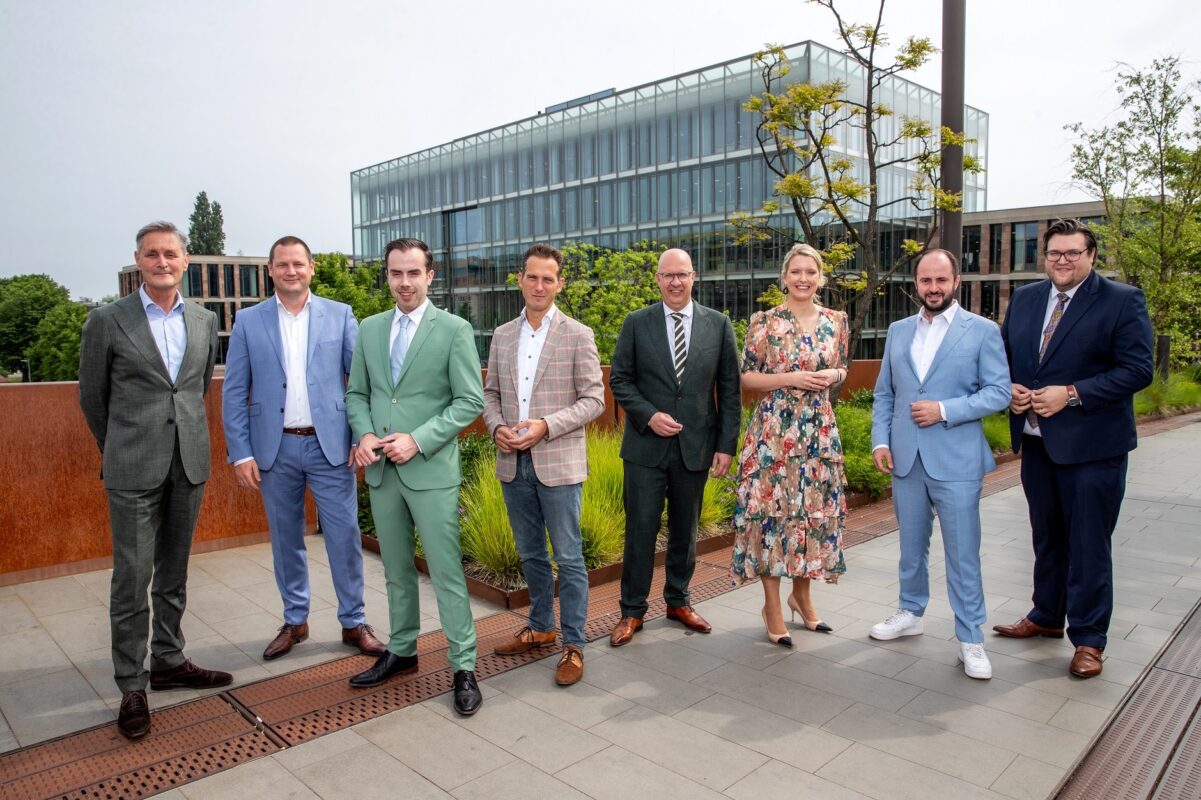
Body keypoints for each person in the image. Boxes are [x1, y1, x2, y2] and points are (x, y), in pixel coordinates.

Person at [78, 221, 231, 741]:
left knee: (174, 571)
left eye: (170, 253)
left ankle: (168, 659)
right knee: (131, 578)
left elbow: (195, 391)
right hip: (132, 468)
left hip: (188, 462)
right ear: (138, 261)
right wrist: (119, 447)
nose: (162, 262)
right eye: (151, 255)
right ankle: (131, 684)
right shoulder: (107, 321)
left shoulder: (205, 320)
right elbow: (92, 399)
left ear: (186, 260)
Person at [995, 218, 1153, 679]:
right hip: (1036, 441)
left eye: (1072, 253)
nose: (1062, 261)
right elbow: (1004, 359)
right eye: (1054, 254)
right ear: (1044, 256)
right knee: (1046, 537)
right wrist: (1012, 389)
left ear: (1091, 256)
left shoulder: (1121, 301)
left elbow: (1138, 369)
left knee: (1087, 545)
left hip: (1093, 448)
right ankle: (1046, 614)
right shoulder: (1024, 300)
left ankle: (1088, 640)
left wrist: (1073, 392)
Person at [221, 235, 386, 662]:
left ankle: (354, 622)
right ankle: (296, 620)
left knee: (344, 537)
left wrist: (358, 437)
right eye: (282, 264)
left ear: (311, 268)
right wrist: (241, 453)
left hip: (331, 449)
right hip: (274, 451)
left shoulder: (341, 315)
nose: (290, 271)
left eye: (298, 263)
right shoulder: (248, 321)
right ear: (271, 271)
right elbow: (235, 390)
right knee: (285, 539)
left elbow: (360, 385)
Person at [344, 237, 485, 715]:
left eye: (412, 273)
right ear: (386, 276)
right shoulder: (368, 329)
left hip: (429, 469)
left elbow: (470, 401)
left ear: (431, 276)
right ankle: (402, 651)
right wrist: (363, 435)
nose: (403, 283)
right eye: (395, 273)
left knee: (445, 573)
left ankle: (464, 665)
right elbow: (357, 394)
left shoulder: (455, 329)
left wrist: (418, 439)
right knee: (396, 572)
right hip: (381, 471)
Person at [869, 248, 1011, 680]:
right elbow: (885, 394)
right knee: (911, 547)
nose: (933, 288)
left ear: (956, 283)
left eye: (941, 281)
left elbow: (999, 392)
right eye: (925, 281)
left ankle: (971, 638)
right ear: (916, 284)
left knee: (963, 555)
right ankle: (910, 612)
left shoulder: (983, 331)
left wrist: (944, 409)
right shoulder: (897, 330)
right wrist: (879, 441)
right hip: (906, 459)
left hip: (957, 460)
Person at [484, 243, 605, 686]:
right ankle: (540, 627)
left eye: (547, 279)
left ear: (560, 283)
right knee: (531, 553)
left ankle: (574, 644)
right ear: (520, 279)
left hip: (558, 462)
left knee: (569, 557)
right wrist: (496, 425)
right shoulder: (501, 335)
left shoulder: (579, 334)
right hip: (513, 463)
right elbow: (491, 395)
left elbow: (594, 399)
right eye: (532, 277)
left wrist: (546, 426)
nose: (539, 286)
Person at [608, 248, 741, 646]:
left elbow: (730, 390)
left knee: (686, 530)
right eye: (668, 275)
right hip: (645, 448)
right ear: (657, 279)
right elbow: (620, 380)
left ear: (694, 277)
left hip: (696, 447)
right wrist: (648, 415)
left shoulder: (718, 325)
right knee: (640, 531)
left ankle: (678, 600)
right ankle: (632, 611)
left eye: (682, 274)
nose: (675, 282)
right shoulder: (636, 323)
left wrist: (726, 445)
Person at [731, 244, 848, 648]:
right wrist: (791, 378)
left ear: (820, 278)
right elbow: (746, 378)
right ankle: (772, 605)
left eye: (810, 273)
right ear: (784, 277)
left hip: (818, 434)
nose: (803, 279)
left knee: (810, 515)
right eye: (796, 272)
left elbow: (843, 369)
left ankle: (802, 596)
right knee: (772, 516)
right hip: (774, 434)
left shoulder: (837, 321)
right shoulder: (765, 322)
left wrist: (832, 374)